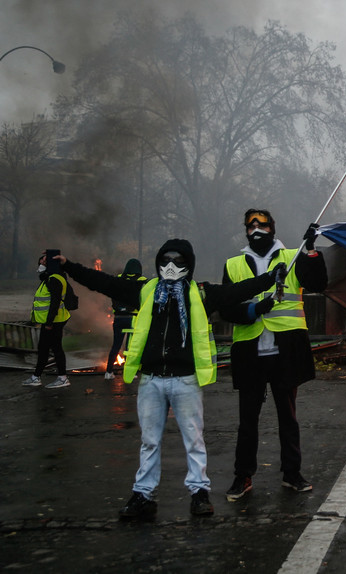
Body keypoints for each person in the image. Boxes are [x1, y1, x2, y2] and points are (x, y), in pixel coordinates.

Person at [57, 239, 281, 519]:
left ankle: (199, 493)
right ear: (158, 262)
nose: (171, 266)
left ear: (189, 264)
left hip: (186, 380)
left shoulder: (201, 293)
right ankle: (143, 495)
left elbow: (236, 291)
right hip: (151, 379)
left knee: (194, 440)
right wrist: (69, 267)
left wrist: (270, 278)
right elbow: (104, 282)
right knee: (149, 441)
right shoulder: (146, 290)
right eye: (166, 260)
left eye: (178, 261)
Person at [220, 209, 327, 501]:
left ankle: (292, 474)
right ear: (245, 230)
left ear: (272, 227)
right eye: (251, 224)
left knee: (288, 416)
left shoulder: (292, 256)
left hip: (285, 348)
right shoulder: (233, 264)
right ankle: (243, 476)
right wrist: (254, 310)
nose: (256, 228)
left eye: (262, 223)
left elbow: (318, 284)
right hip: (249, 349)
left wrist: (311, 250)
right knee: (247, 419)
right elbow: (226, 307)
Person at [23, 250, 72, 389]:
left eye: (44, 261)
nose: (41, 263)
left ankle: (61, 378)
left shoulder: (54, 279)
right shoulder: (52, 276)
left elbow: (55, 302)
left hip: (55, 321)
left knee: (54, 348)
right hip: (53, 320)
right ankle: (37, 376)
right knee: (45, 348)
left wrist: (49, 322)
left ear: (51, 263)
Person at [105, 258, 146, 380]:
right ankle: (130, 372)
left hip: (118, 318)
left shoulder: (118, 279)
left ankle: (108, 372)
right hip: (133, 318)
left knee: (116, 345)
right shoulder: (142, 281)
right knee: (130, 346)